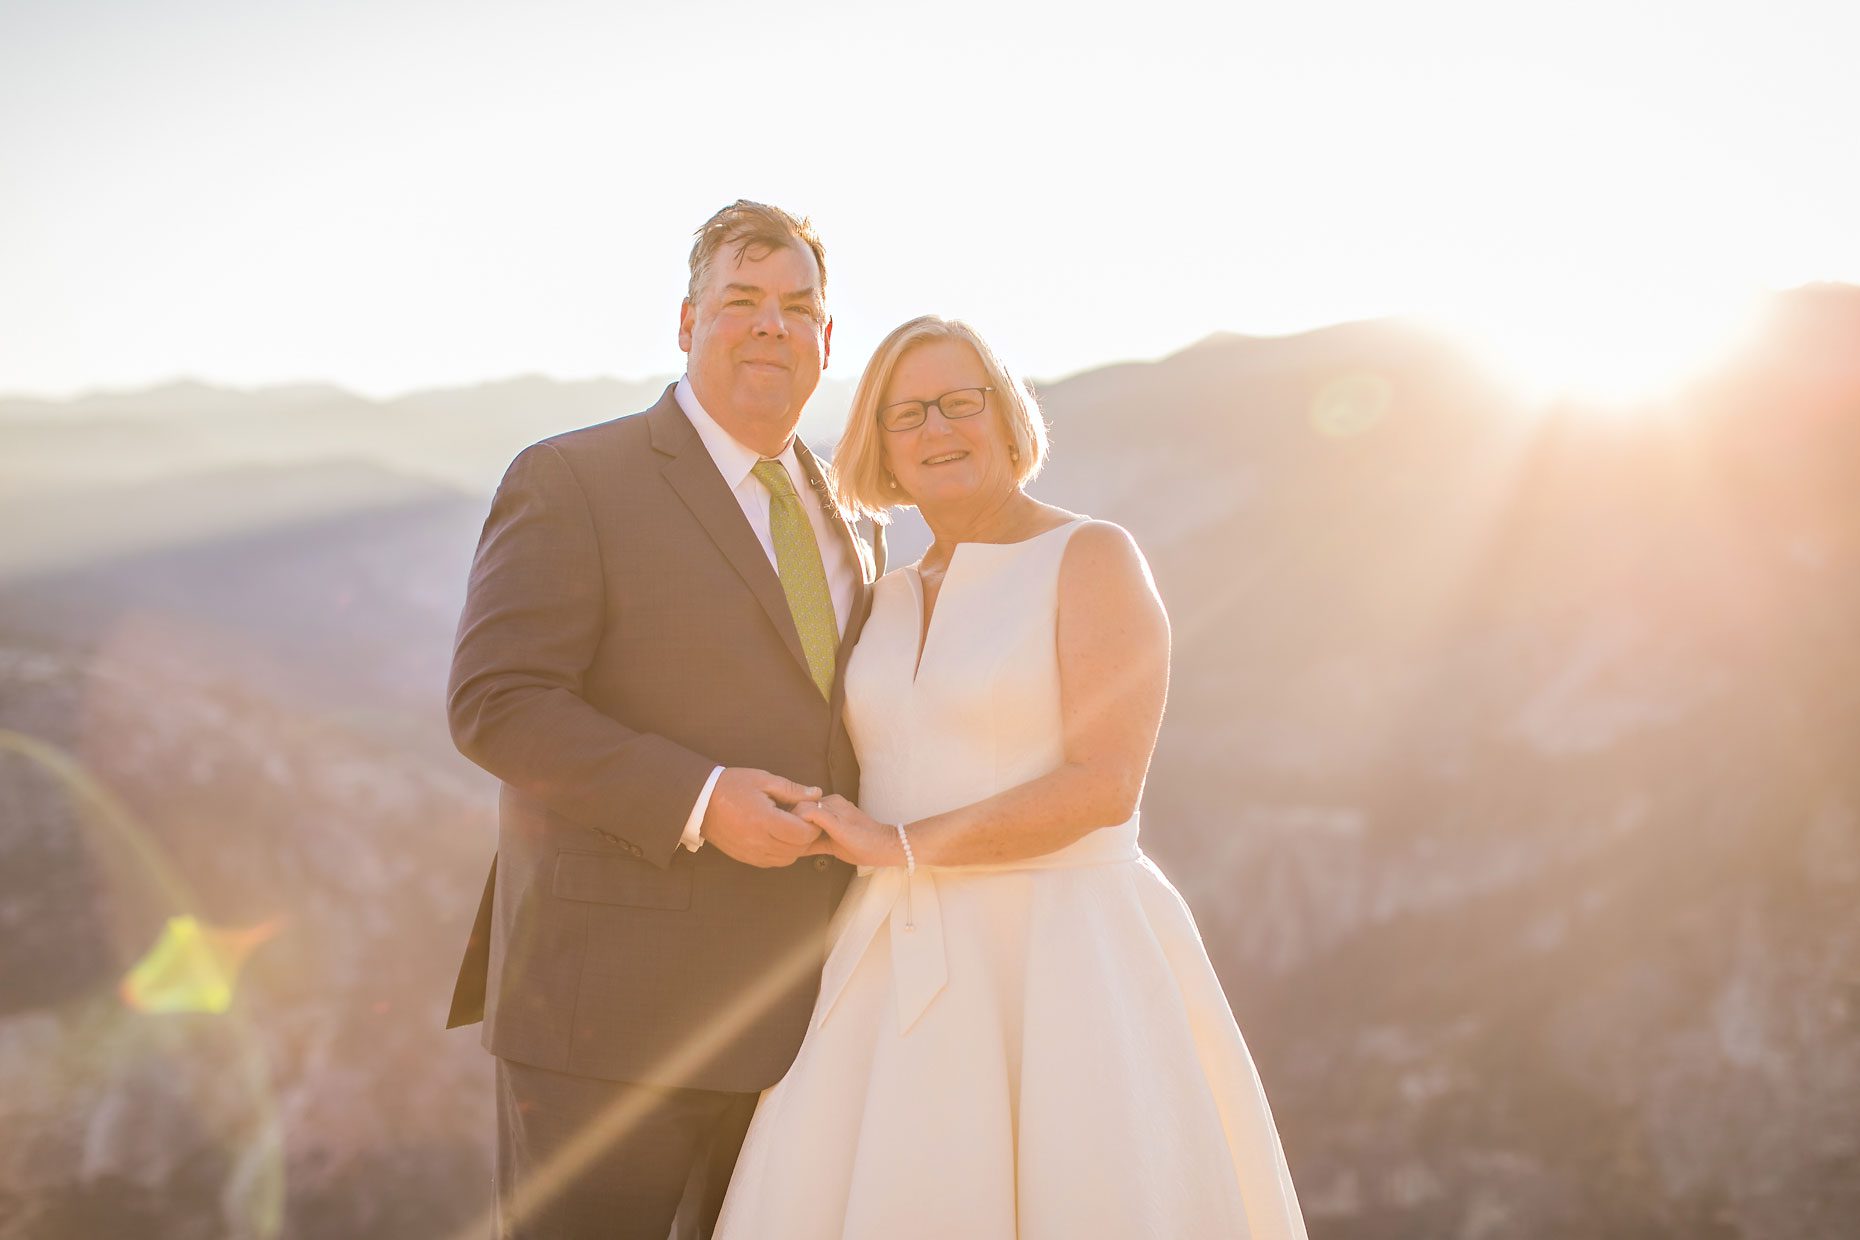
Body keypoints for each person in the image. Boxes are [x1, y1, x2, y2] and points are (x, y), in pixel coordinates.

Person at [713, 316, 1308, 1238]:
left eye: (961, 402)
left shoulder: (1092, 557)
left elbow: (1104, 784)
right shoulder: (891, 589)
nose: (938, 431)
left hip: (1059, 952)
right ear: (880, 448)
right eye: (908, 415)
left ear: (1008, 418)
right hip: (888, 952)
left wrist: (901, 846)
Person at [444, 200, 883, 1239]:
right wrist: (700, 798)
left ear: (827, 338)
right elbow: (497, 703)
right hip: (609, 1024)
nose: (771, 324)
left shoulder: (850, 517)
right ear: (687, 322)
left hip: (807, 1015)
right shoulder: (573, 479)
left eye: (796, 305)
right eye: (741, 300)